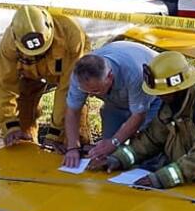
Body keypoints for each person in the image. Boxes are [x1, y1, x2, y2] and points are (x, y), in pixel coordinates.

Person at [86, 52, 195, 189]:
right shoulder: (173, 103)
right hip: (185, 177)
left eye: (161, 92)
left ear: (177, 87)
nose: (158, 96)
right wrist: (117, 159)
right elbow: (151, 140)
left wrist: (162, 178)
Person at [0, 6, 89, 151]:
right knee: (22, 119)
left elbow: (68, 89)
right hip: (29, 74)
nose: (37, 56)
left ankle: (80, 151)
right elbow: (4, 85)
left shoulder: (71, 35)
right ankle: (29, 150)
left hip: (67, 73)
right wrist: (10, 125)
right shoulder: (9, 43)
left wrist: (55, 134)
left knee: (74, 117)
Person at [62, 41, 160, 170]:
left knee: (147, 148)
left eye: (95, 91)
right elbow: (72, 111)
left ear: (110, 76)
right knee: (106, 153)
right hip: (115, 103)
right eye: (87, 92)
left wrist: (114, 142)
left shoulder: (135, 73)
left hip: (151, 98)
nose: (91, 96)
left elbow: (138, 115)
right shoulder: (78, 76)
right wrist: (72, 147)